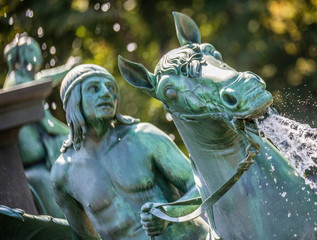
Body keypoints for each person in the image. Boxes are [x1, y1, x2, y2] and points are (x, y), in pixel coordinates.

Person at [51, 64, 209, 240]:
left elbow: (202, 185)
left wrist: (169, 213)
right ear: (74, 101)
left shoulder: (143, 137)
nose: (106, 93)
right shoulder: (63, 174)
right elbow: (83, 237)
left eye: (110, 88)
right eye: (94, 88)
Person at [3, 33, 81, 217]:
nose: (37, 56)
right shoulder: (19, 82)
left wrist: (68, 69)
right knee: (69, 140)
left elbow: (45, 77)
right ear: (22, 55)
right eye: (32, 51)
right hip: (32, 150)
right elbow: (48, 125)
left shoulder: (19, 77)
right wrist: (75, 131)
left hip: (34, 148)